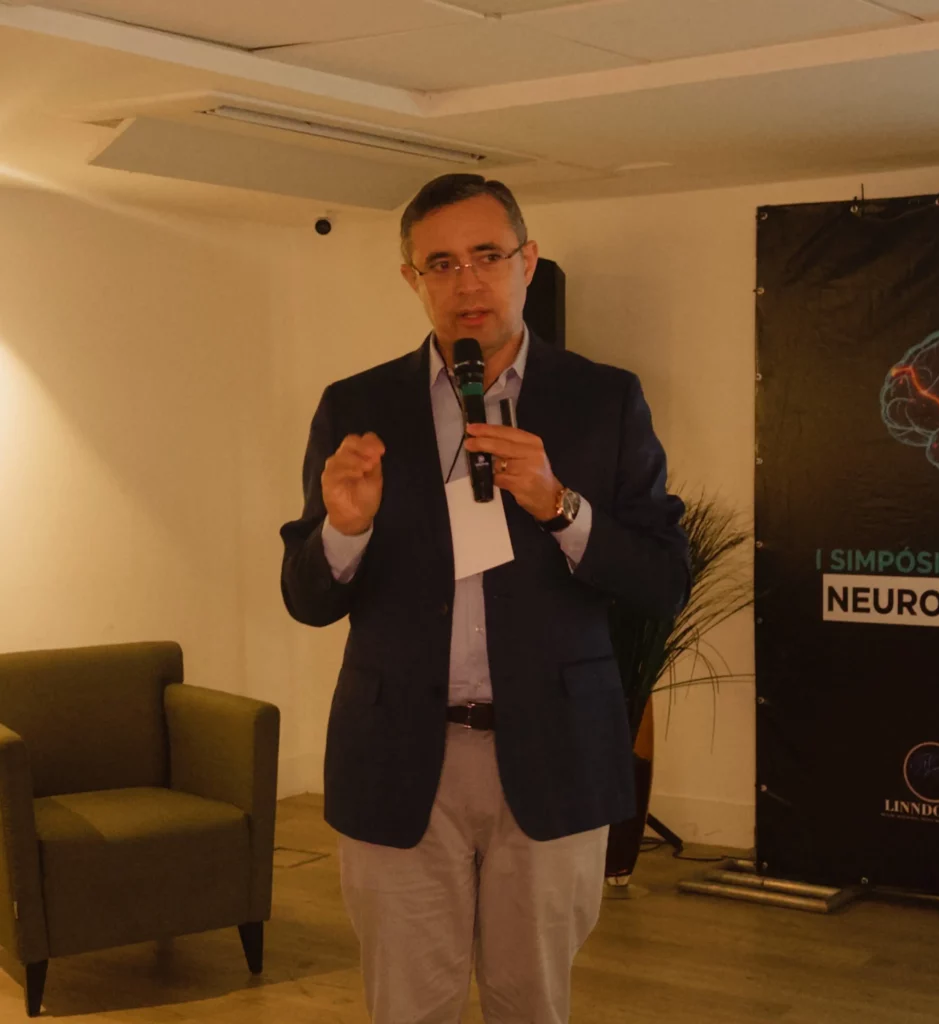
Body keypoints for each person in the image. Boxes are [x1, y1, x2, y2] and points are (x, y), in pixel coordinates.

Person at [280, 173, 690, 1024]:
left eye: (486, 256)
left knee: (530, 1004)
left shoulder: (604, 399)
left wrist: (559, 505)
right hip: (399, 756)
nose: (466, 281)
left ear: (526, 262)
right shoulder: (356, 406)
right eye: (440, 263)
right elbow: (307, 598)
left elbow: (662, 579)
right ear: (412, 279)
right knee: (407, 1008)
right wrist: (345, 529)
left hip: (554, 751)